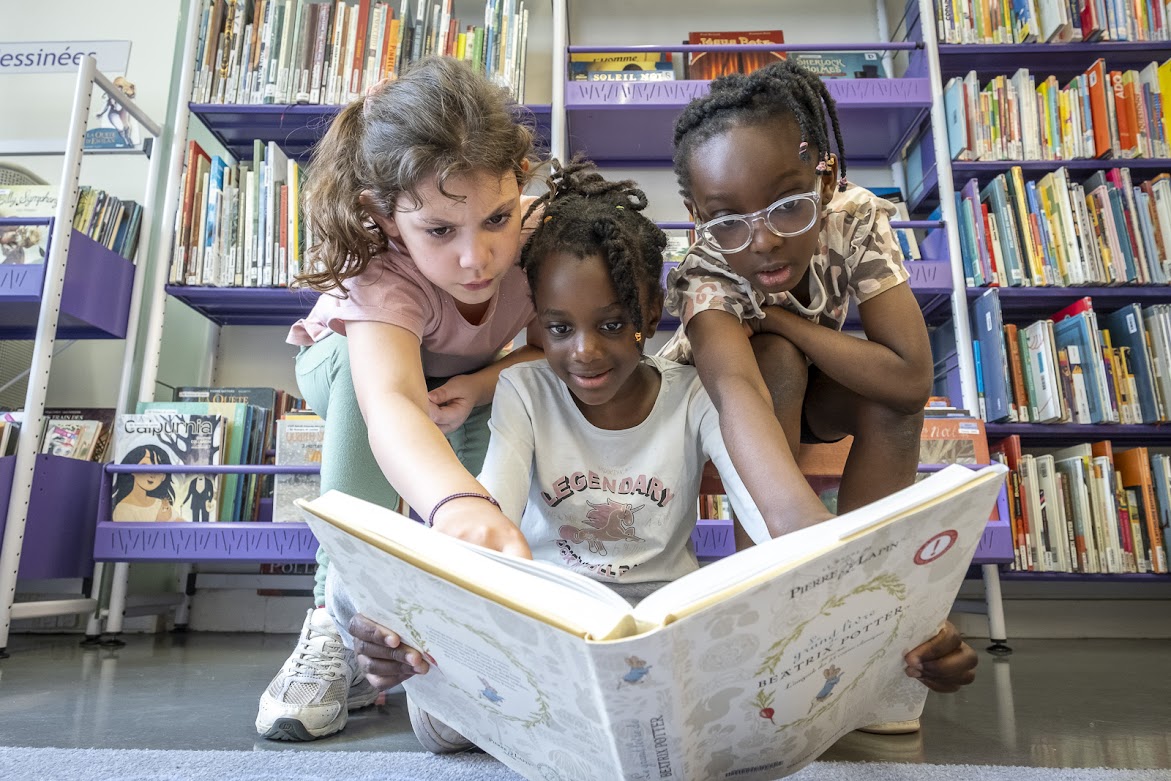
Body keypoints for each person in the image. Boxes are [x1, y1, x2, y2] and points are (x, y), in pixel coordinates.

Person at [335, 162, 977, 753]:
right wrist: (413, 623)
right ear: (538, 322)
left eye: (611, 324)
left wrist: (886, 621)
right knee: (441, 724)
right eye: (559, 329)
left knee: (743, 700)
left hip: (667, 632)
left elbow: (764, 512)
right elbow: (490, 506)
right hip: (554, 617)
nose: (584, 351)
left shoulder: (693, 398)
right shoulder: (524, 390)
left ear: (648, 313)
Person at [257, 56, 543, 742]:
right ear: (386, 219)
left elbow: (548, 353)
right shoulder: (382, 278)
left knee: (474, 511)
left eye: (497, 218)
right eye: (440, 231)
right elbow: (389, 401)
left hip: (462, 384)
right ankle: (330, 620)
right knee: (442, 486)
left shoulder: (541, 241)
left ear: (520, 189)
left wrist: (480, 386)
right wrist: (458, 503)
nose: (477, 258)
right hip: (350, 370)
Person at [659, 58, 938, 732]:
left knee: (877, 399)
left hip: (806, 384)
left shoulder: (858, 217)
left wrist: (782, 316)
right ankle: (777, 618)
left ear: (828, 175)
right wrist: (802, 538)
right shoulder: (705, 265)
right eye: (726, 220)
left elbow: (908, 378)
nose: (762, 240)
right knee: (773, 359)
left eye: (788, 204)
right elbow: (734, 390)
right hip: (716, 417)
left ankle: (866, 608)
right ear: (696, 215)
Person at [110, 445, 175, 522]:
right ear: (132, 469)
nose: (152, 474)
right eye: (145, 466)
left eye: (158, 468)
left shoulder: (161, 504)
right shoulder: (123, 509)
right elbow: (129, 533)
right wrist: (159, 521)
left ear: (164, 476)